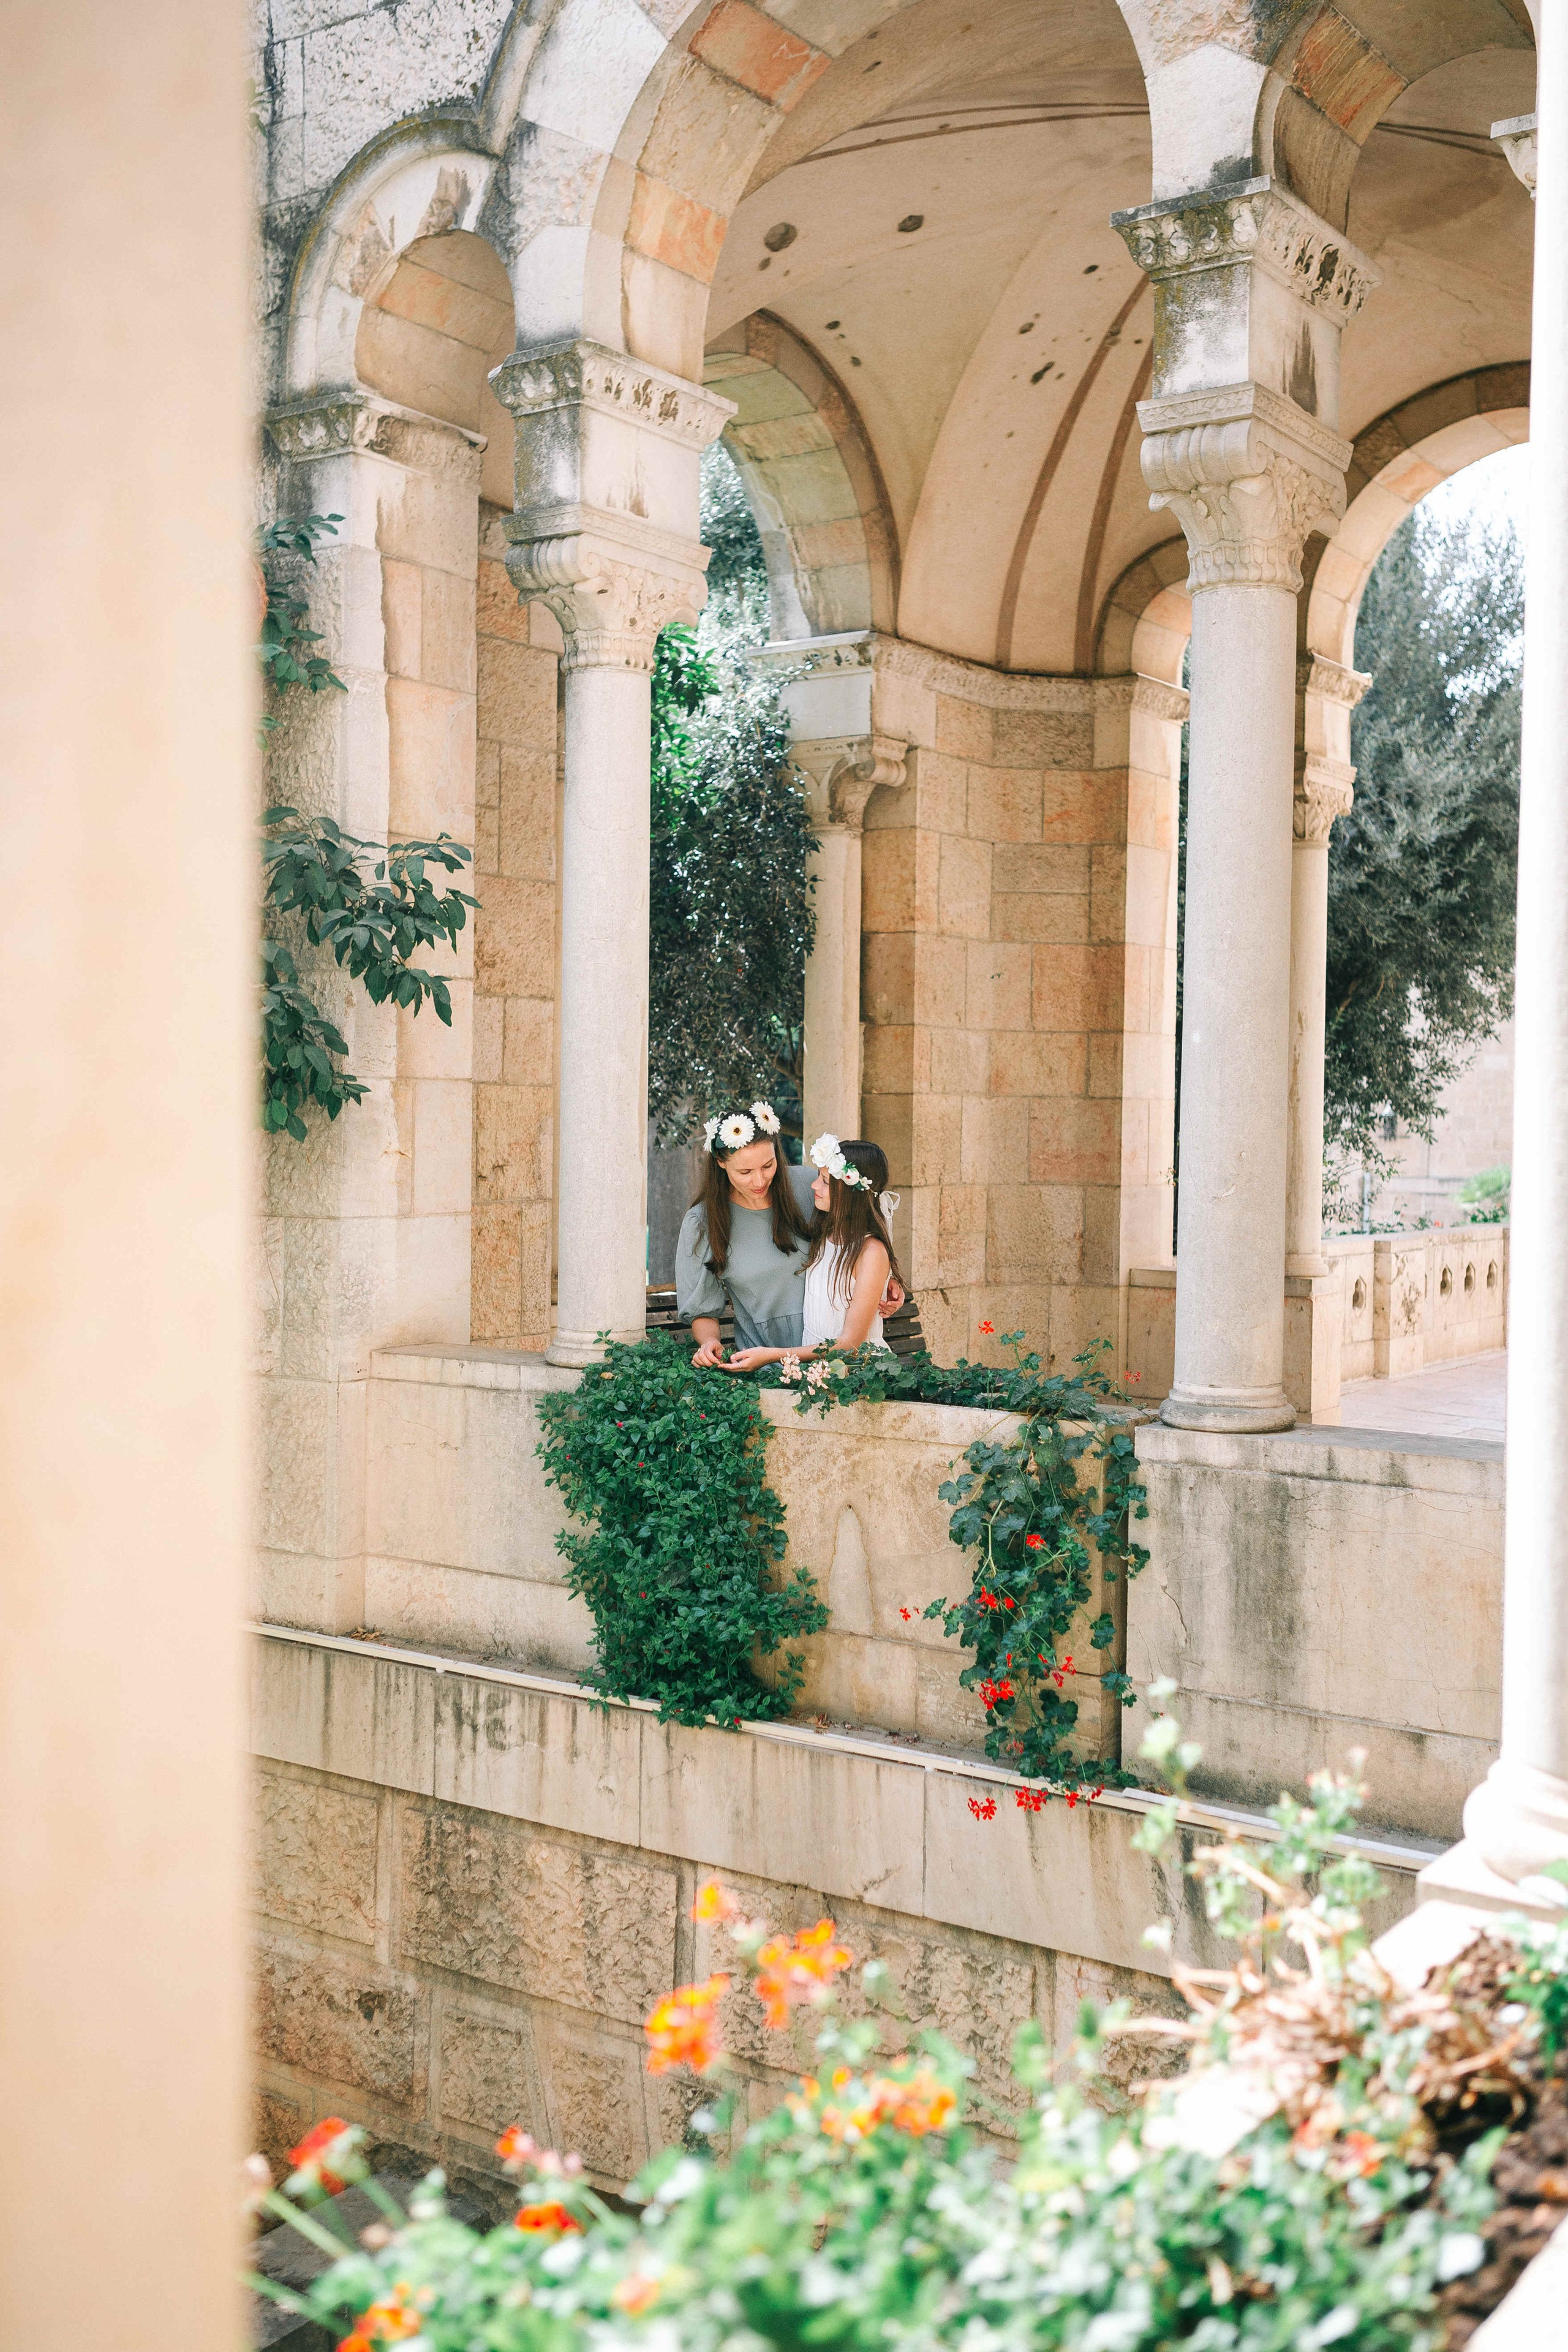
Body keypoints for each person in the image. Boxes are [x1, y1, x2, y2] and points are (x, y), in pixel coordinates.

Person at [676, 1103, 902, 1369]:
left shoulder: (811, 1187)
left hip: (837, 1359)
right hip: (765, 1360)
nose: (760, 1181)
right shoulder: (702, 1223)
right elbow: (702, 1308)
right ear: (721, 1163)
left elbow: (858, 1227)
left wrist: (885, 1280)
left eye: (768, 1165)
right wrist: (709, 1343)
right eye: (745, 1172)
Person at [722, 1134, 903, 1374]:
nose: (814, 1186)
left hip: (859, 1374)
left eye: (826, 1181)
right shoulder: (824, 1233)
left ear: (852, 1191)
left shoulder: (870, 1252)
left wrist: (771, 1356)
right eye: (819, 1177)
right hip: (819, 1371)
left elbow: (850, 1346)